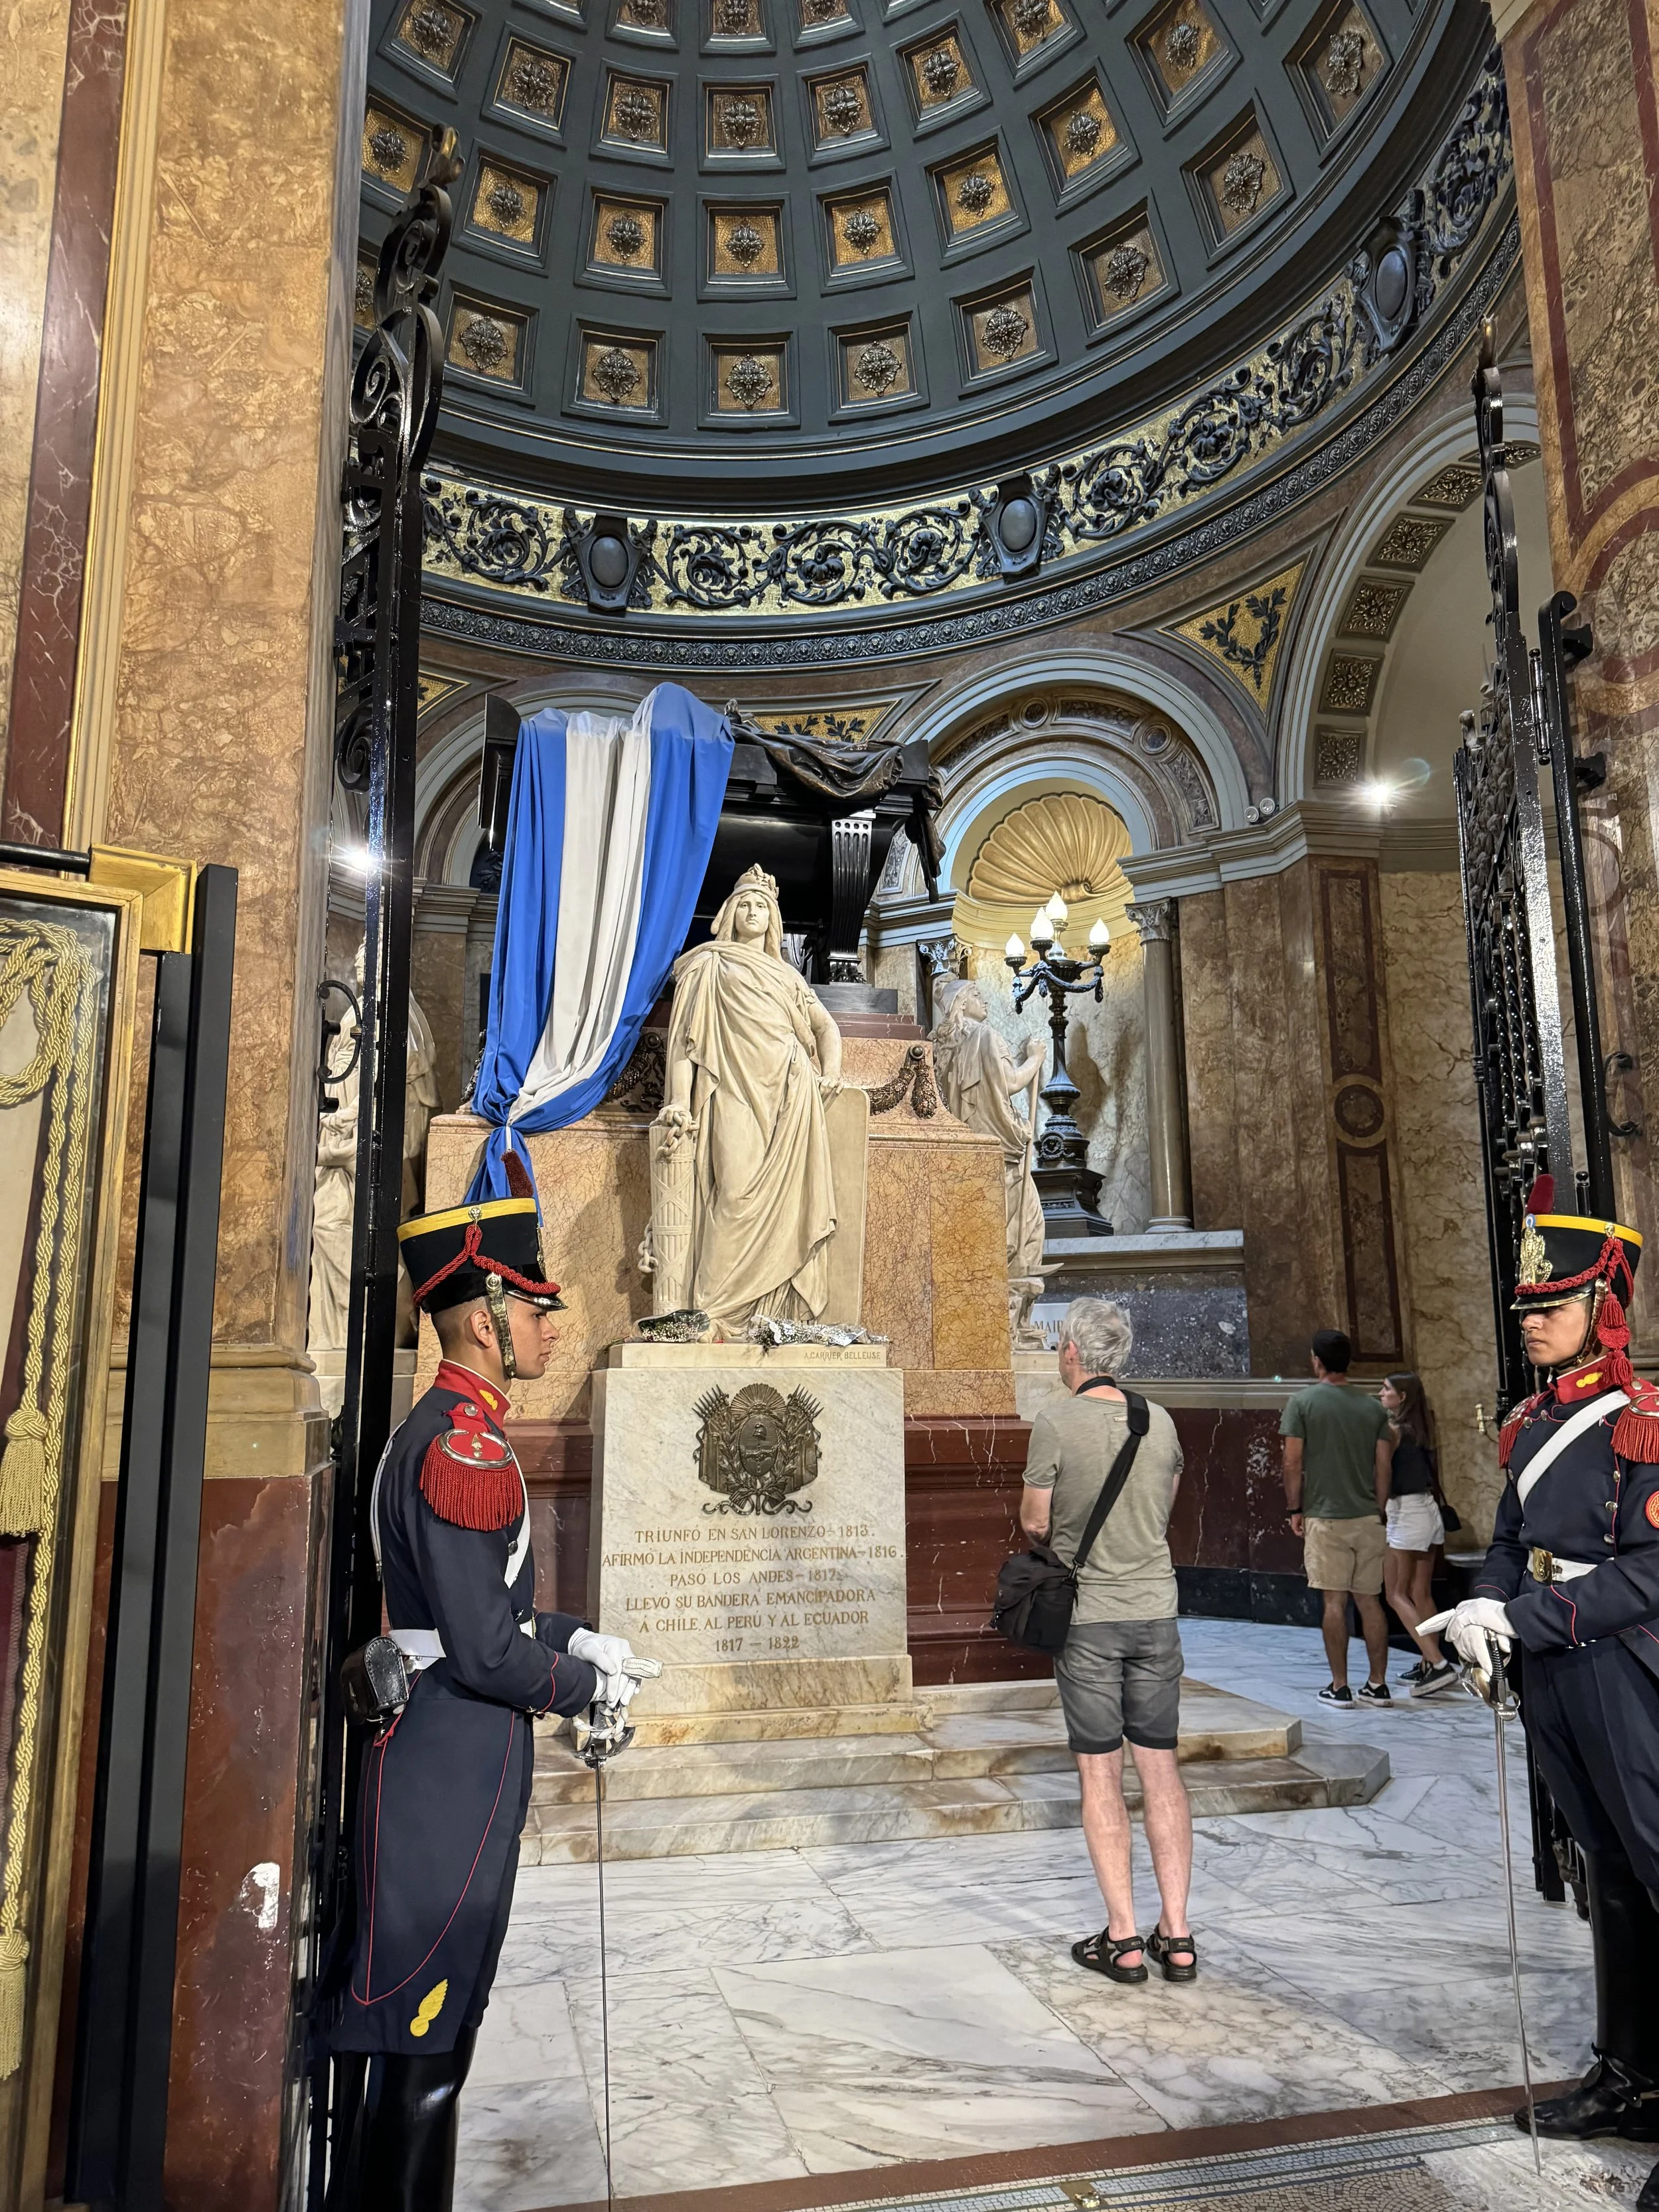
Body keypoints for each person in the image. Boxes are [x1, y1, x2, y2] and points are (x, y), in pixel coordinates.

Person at [326, 1188, 641, 2212]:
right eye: (535, 1306)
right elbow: (481, 1650)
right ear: (481, 1318)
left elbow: (477, 1619)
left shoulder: (449, 1432)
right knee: (426, 2050)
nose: (551, 1324)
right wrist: (583, 1682)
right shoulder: (463, 1447)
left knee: (427, 2046)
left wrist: (574, 1634)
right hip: (449, 1775)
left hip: (445, 1761)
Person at [1431, 1181, 1659, 2211]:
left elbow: (1652, 1572)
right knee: (1606, 1873)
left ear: (1604, 1310)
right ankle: (1631, 2074)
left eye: (1552, 1306)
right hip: (1556, 1674)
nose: (1531, 1321)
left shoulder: (1644, 1423)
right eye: (1526, 1308)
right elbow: (1513, 1543)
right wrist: (1482, 1607)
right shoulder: (1528, 1422)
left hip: (1625, 1671)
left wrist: (1518, 1621)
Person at [1020, 1297, 1197, 1985]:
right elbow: (1166, 1502)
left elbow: (1036, 1523)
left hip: (1089, 1617)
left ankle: (1123, 1939)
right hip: (1156, 1611)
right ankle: (1176, 1934)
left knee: (1100, 1772)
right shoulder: (1160, 1420)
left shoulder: (1056, 1421)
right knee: (1161, 1769)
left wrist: (1061, 1529)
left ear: (1071, 1353)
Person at [648, 863, 845, 1329]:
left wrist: (831, 1070)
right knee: (733, 1192)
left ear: (773, 920)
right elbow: (685, 1044)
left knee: (788, 1206)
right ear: (731, 912)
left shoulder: (790, 978)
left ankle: (768, 1315)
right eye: (746, 904)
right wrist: (678, 1098)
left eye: (763, 906)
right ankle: (713, 1310)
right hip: (732, 1087)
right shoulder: (709, 964)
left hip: (791, 1095)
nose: (754, 911)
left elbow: (826, 1026)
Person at [1280, 1328, 1394, 1706]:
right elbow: (1383, 1467)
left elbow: (1292, 1461)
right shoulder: (1373, 1408)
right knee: (1370, 1601)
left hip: (1325, 1517)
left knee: (1334, 1603)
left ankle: (1339, 1685)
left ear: (1317, 1360)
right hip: (1368, 1517)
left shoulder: (1302, 1403)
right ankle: (1378, 1685)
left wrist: (1295, 1508)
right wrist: (1379, 1509)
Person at [1380, 1371, 1457, 1697]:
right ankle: (1428, 1664)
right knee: (1421, 1592)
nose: (1381, 1394)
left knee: (1395, 1594)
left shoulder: (1395, 1430)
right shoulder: (1423, 1428)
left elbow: (1381, 1470)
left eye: (1386, 1390)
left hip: (1407, 1512)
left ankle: (1438, 1663)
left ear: (1403, 1397)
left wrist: (1378, 1505)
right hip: (1428, 1509)